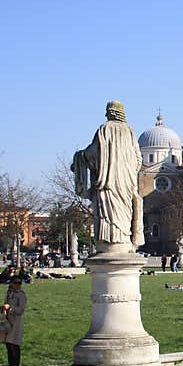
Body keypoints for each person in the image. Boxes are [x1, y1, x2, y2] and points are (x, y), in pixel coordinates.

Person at [70, 101, 144, 252]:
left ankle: (110, 242)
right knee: (123, 212)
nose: (105, 115)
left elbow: (92, 153)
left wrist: (79, 157)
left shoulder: (105, 129)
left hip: (108, 183)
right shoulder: (130, 131)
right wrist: (126, 172)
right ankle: (122, 240)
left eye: (107, 112)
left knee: (108, 214)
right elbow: (138, 160)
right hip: (126, 183)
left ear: (112, 113)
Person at [2, 276, 27, 366]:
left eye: (19, 283)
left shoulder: (21, 295)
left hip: (16, 323)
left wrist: (10, 307)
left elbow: (21, 309)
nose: (18, 285)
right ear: (11, 283)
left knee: (14, 344)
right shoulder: (9, 292)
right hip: (8, 321)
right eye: (15, 283)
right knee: (9, 344)